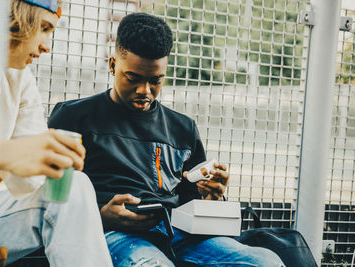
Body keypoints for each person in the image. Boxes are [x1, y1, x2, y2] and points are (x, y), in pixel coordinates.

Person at [48, 12, 285, 267]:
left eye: (155, 81)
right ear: (113, 65)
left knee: (267, 261)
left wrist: (212, 197)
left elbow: (190, 204)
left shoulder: (183, 128)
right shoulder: (73, 118)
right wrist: (102, 216)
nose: (144, 91)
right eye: (133, 78)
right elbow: (51, 201)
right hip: (113, 234)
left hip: (181, 234)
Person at [0, 0, 112, 266]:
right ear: (15, 17)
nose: (46, 45)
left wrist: (50, 163)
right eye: (43, 28)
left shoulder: (21, 80)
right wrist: (2, 153)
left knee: (74, 187)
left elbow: (26, 183)